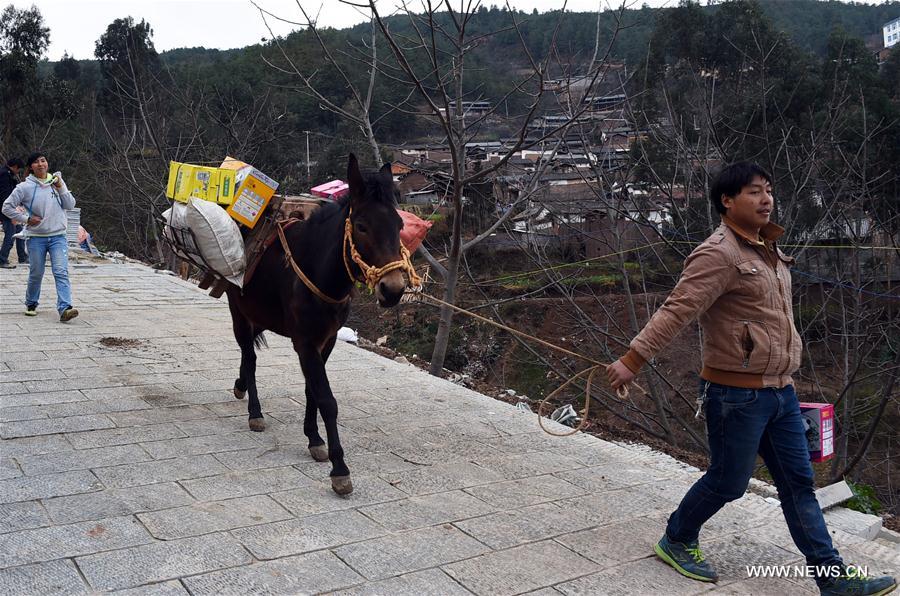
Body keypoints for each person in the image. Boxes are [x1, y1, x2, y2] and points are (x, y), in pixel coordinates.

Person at [606, 162, 896, 596]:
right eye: (754, 192)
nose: (766, 199)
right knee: (728, 482)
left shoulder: (767, 249)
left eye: (769, 191)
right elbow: (678, 308)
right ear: (727, 200)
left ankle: (832, 579)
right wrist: (634, 358)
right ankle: (677, 538)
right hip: (734, 396)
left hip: (780, 392)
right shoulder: (718, 253)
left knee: (799, 487)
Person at [1, 151, 78, 322]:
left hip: (58, 235)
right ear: (30, 168)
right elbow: (6, 207)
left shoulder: (56, 183)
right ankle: (31, 302)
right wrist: (26, 219)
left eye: (43, 161)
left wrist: (61, 186)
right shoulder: (24, 187)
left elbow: (70, 205)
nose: (41, 164)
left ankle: (65, 308)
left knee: (61, 271)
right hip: (36, 238)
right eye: (36, 162)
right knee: (36, 272)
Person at [0, 157, 26, 268]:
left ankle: (23, 257)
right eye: (18, 170)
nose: (18, 173)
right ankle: (2, 260)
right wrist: (11, 212)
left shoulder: (7, 174)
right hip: (5, 210)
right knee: (10, 234)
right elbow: (4, 195)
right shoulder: (4, 175)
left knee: (19, 231)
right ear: (15, 167)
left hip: (8, 209)